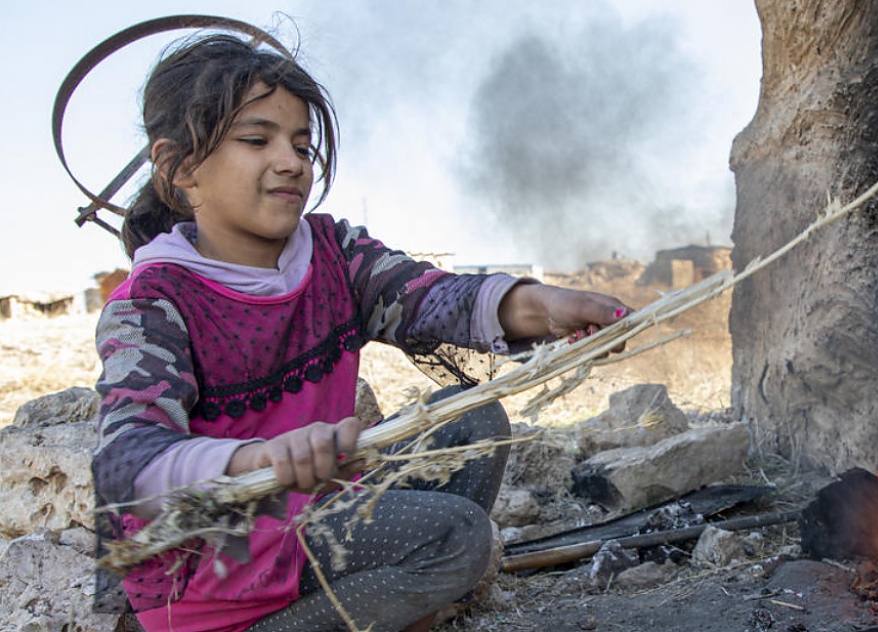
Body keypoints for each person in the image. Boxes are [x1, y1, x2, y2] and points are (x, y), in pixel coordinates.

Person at [90, 33, 630, 632]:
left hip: (310, 516)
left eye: (301, 143)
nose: (292, 161)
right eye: (256, 140)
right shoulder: (153, 301)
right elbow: (127, 459)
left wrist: (546, 306)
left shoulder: (332, 253)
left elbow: (431, 299)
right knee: (458, 536)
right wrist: (259, 459)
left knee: (470, 421)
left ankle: (377, 609)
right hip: (219, 566)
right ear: (180, 166)